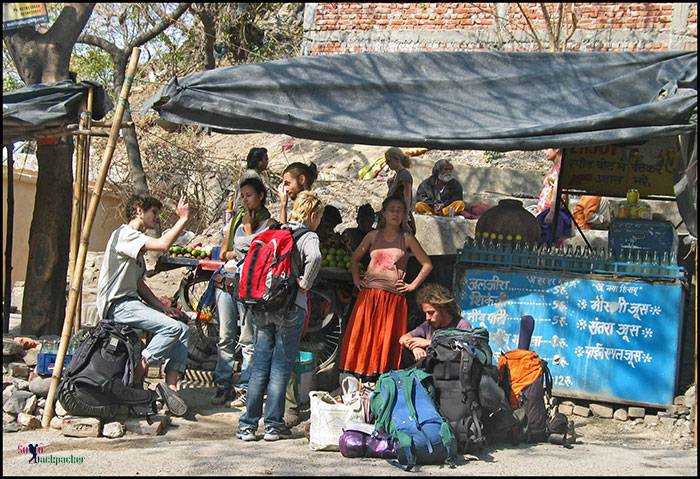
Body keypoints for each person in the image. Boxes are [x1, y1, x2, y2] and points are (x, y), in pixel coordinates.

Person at [237, 191, 324, 442]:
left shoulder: (277, 229)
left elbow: (244, 246)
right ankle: (273, 425)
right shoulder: (308, 236)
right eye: (318, 216)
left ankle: (247, 426)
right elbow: (316, 257)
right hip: (290, 307)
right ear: (312, 215)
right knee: (280, 367)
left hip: (263, 306)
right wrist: (305, 282)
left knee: (259, 365)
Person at [96, 194, 190, 416]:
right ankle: (139, 373)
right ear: (139, 210)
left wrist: (162, 307)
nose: (157, 218)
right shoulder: (125, 234)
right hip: (118, 305)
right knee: (172, 328)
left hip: (131, 302)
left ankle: (172, 389)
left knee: (183, 328)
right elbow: (163, 245)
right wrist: (183, 219)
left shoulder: (136, 242)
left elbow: (139, 284)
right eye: (154, 213)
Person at [338, 196, 433, 382]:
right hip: (369, 295)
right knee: (363, 336)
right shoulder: (373, 236)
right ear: (383, 213)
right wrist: (357, 279)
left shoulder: (407, 239)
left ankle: (378, 380)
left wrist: (411, 285)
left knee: (384, 341)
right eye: (392, 210)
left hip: (393, 299)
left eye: (399, 210)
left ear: (404, 215)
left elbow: (427, 264)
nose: (395, 214)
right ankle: (356, 377)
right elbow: (355, 259)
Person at [213, 177, 273, 406]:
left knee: (249, 339)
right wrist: (241, 250)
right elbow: (224, 253)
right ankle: (222, 384)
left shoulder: (268, 222)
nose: (244, 200)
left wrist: (248, 230)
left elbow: (258, 253)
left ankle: (245, 387)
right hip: (226, 281)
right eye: (242, 195)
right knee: (225, 336)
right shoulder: (236, 219)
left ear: (260, 196)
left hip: (249, 286)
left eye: (249, 195)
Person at [398, 283, 472, 364]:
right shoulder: (428, 325)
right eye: (426, 313)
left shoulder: (462, 325)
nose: (427, 318)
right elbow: (403, 338)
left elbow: (465, 349)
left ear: (443, 309)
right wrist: (414, 347)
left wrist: (430, 343)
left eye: (431, 312)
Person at [384, 147, 415, 233]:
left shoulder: (404, 175)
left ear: (396, 159)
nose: (387, 163)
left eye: (389, 161)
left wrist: (404, 222)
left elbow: (407, 198)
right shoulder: (397, 175)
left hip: (401, 217)